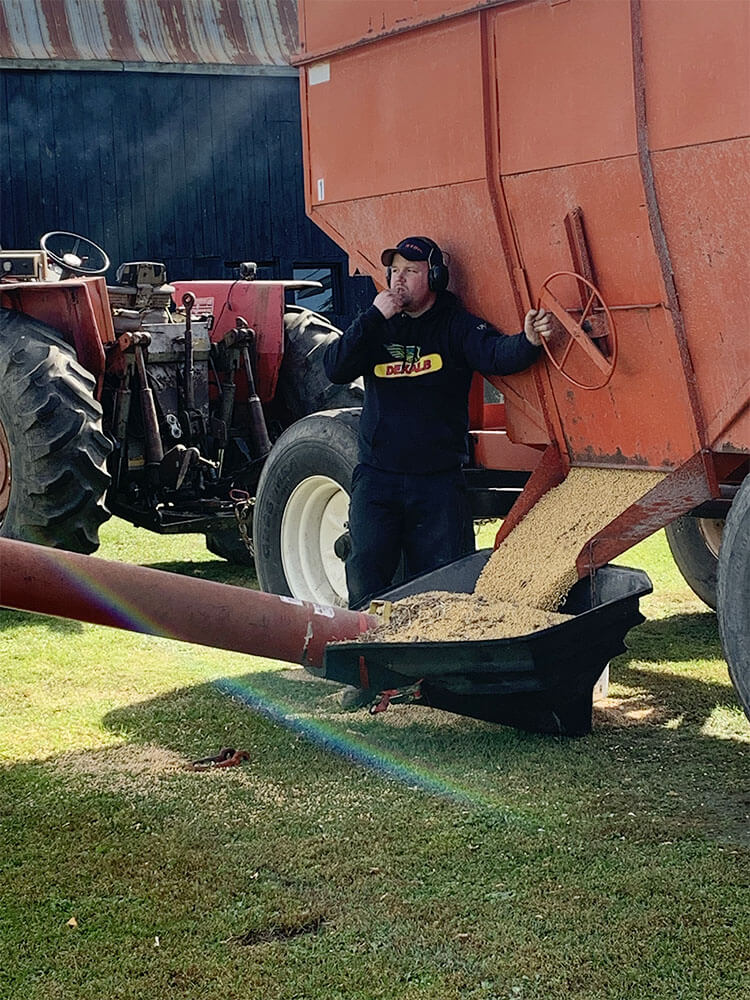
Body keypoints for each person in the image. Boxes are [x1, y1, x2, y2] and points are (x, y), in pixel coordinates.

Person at [324, 235, 552, 614]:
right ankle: (370, 661)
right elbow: (335, 368)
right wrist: (373, 318)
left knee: (446, 584)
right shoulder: (375, 326)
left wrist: (528, 340)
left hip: (437, 482)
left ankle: (440, 667)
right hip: (377, 478)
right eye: (394, 271)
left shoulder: (455, 325)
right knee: (365, 576)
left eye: (410, 271)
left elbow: (495, 355)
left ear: (434, 276)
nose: (399, 280)